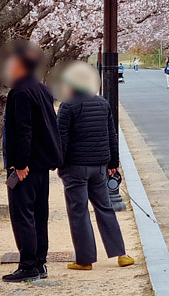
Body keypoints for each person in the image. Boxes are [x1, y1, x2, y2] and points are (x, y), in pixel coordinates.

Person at [55, 61, 135, 271]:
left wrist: (58, 164)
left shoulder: (67, 106)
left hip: (75, 168)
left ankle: (85, 259)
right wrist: (113, 163)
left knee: (79, 211)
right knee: (105, 208)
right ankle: (121, 254)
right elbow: (111, 135)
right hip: (100, 167)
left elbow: (60, 139)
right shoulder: (102, 103)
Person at [0, 41, 63, 282]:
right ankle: (39, 263)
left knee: (23, 215)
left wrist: (20, 164)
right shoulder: (41, 89)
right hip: (42, 164)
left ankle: (28, 265)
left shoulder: (21, 91)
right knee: (39, 215)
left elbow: (23, 130)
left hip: (26, 165)